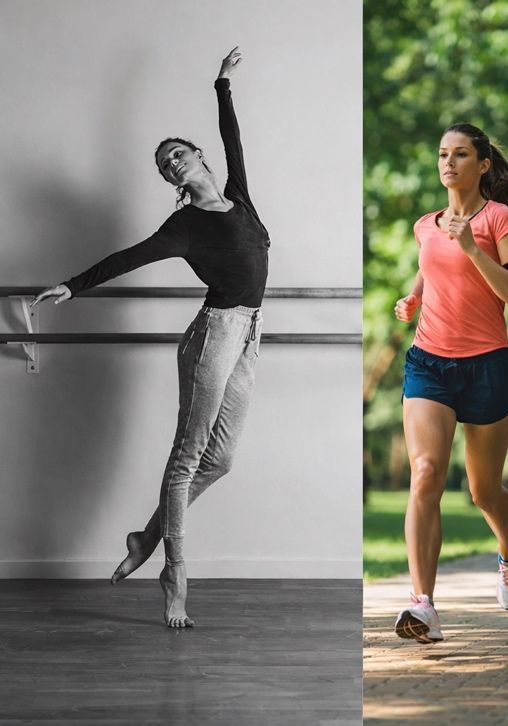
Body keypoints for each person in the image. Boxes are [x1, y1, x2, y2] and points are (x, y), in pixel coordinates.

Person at [33, 48, 268, 628]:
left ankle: (146, 535)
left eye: (178, 154)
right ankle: (174, 573)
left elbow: (231, 136)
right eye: (165, 165)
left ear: (199, 157)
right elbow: (127, 258)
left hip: (249, 333)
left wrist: (221, 84)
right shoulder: (182, 226)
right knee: (188, 456)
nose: (172, 164)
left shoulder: (239, 195)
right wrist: (72, 286)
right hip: (213, 335)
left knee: (223, 460)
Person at [392, 123, 508, 644]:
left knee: (484, 491)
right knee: (426, 472)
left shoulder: (500, 220)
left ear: (482, 165)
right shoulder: (425, 225)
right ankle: (423, 604)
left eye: (460, 155)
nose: (448, 162)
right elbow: (430, 271)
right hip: (429, 363)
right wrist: (413, 299)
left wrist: (475, 249)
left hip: (488, 367)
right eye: (442, 154)